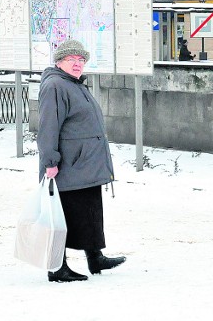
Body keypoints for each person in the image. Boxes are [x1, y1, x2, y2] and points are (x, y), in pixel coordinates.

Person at [37, 39, 125, 283]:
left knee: (88, 210)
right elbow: (48, 127)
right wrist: (50, 161)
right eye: (71, 60)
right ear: (59, 62)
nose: (77, 64)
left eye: (80, 60)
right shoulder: (55, 85)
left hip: (84, 164)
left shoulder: (74, 84)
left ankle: (95, 257)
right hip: (67, 165)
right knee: (62, 215)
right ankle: (57, 268)